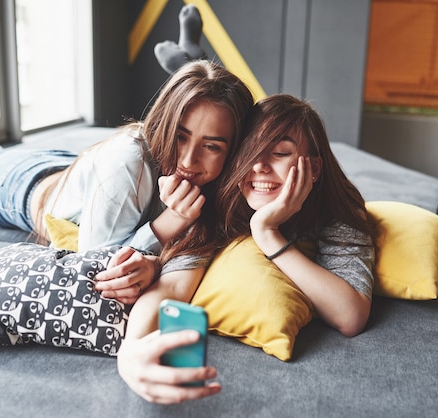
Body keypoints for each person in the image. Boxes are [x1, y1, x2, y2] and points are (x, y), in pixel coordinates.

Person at [0, 60, 254, 304]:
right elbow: (95, 266)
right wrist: (171, 222)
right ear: (163, 123)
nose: (188, 161)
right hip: (16, 189)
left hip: (58, 167)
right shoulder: (130, 162)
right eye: (180, 137)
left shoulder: (223, 177)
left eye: (212, 146)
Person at [113, 94, 377, 403]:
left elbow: (350, 316)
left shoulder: (335, 209)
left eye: (280, 153)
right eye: (249, 153)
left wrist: (267, 233)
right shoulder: (220, 201)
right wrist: (129, 352)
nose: (260, 167)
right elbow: (173, 283)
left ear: (314, 168)